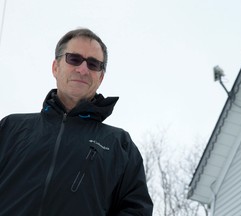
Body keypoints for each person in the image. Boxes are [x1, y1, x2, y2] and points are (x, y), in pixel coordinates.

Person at [0, 28, 153, 216]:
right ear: (55, 67)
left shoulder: (119, 145)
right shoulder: (10, 128)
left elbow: (137, 210)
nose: (83, 69)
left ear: (101, 77)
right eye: (74, 59)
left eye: (93, 64)